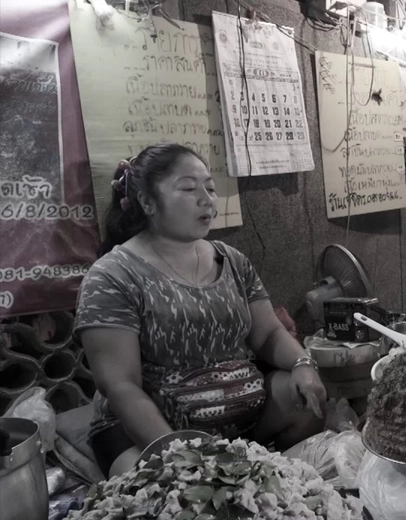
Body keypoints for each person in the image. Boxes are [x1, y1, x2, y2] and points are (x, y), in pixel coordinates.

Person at [75, 143, 327, 477]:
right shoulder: (113, 276)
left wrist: (302, 363)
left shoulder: (231, 260)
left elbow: (268, 334)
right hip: (149, 430)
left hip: (240, 417)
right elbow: (121, 386)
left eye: (210, 187)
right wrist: (183, 455)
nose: (207, 198)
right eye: (188, 188)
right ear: (147, 202)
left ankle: (248, 476)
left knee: (306, 402)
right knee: (156, 493)